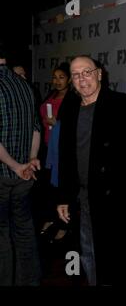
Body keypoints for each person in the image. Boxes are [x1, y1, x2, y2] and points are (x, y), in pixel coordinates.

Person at [56, 56, 126, 285]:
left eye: (86, 72)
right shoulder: (69, 109)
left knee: (118, 263)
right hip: (82, 198)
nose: (81, 79)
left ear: (99, 74)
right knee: (87, 255)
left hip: (116, 201)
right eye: (75, 75)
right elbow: (65, 157)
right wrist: (64, 197)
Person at [0, 41, 42, 285]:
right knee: (25, 231)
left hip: (5, 173)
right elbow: (37, 127)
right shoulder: (25, 85)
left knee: (2, 234)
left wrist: (16, 166)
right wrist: (30, 161)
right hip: (25, 175)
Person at [36, 63, 75, 243]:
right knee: (49, 186)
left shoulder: (73, 99)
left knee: (63, 187)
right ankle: (51, 218)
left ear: (69, 79)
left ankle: (64, 225)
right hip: (46, 147)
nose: (57, 81)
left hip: (62, 149)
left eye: (61, 77)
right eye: (55, 77)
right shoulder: (50, 95)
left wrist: (57, 121)